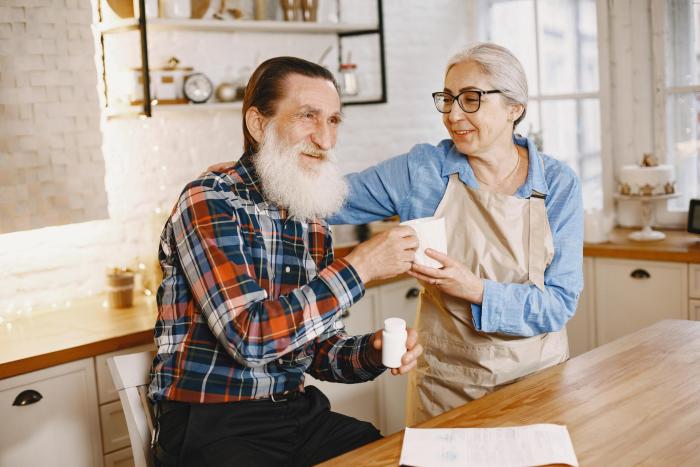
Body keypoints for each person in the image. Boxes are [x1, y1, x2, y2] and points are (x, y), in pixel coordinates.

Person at [148, 56, 423, 467]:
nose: (326, 140)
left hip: (295, 413)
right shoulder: (209, 200)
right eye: (308, 117)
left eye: (333, 121)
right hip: (212, 423)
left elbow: (317, 352)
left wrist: (371, 351)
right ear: (258, 125)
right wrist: (360, 267)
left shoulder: (309, 216)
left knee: (396, 458)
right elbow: (249, 336)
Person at [329, 42, 584, 425]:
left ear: (514, 108)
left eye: (470, 99)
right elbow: (329, 199)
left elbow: (559, 304)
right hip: (448, 388)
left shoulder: (558, 184)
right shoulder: (424, 171)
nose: (452, 115)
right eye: (447, 99)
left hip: (537, 382)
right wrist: (247, 178)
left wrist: (476, 289)